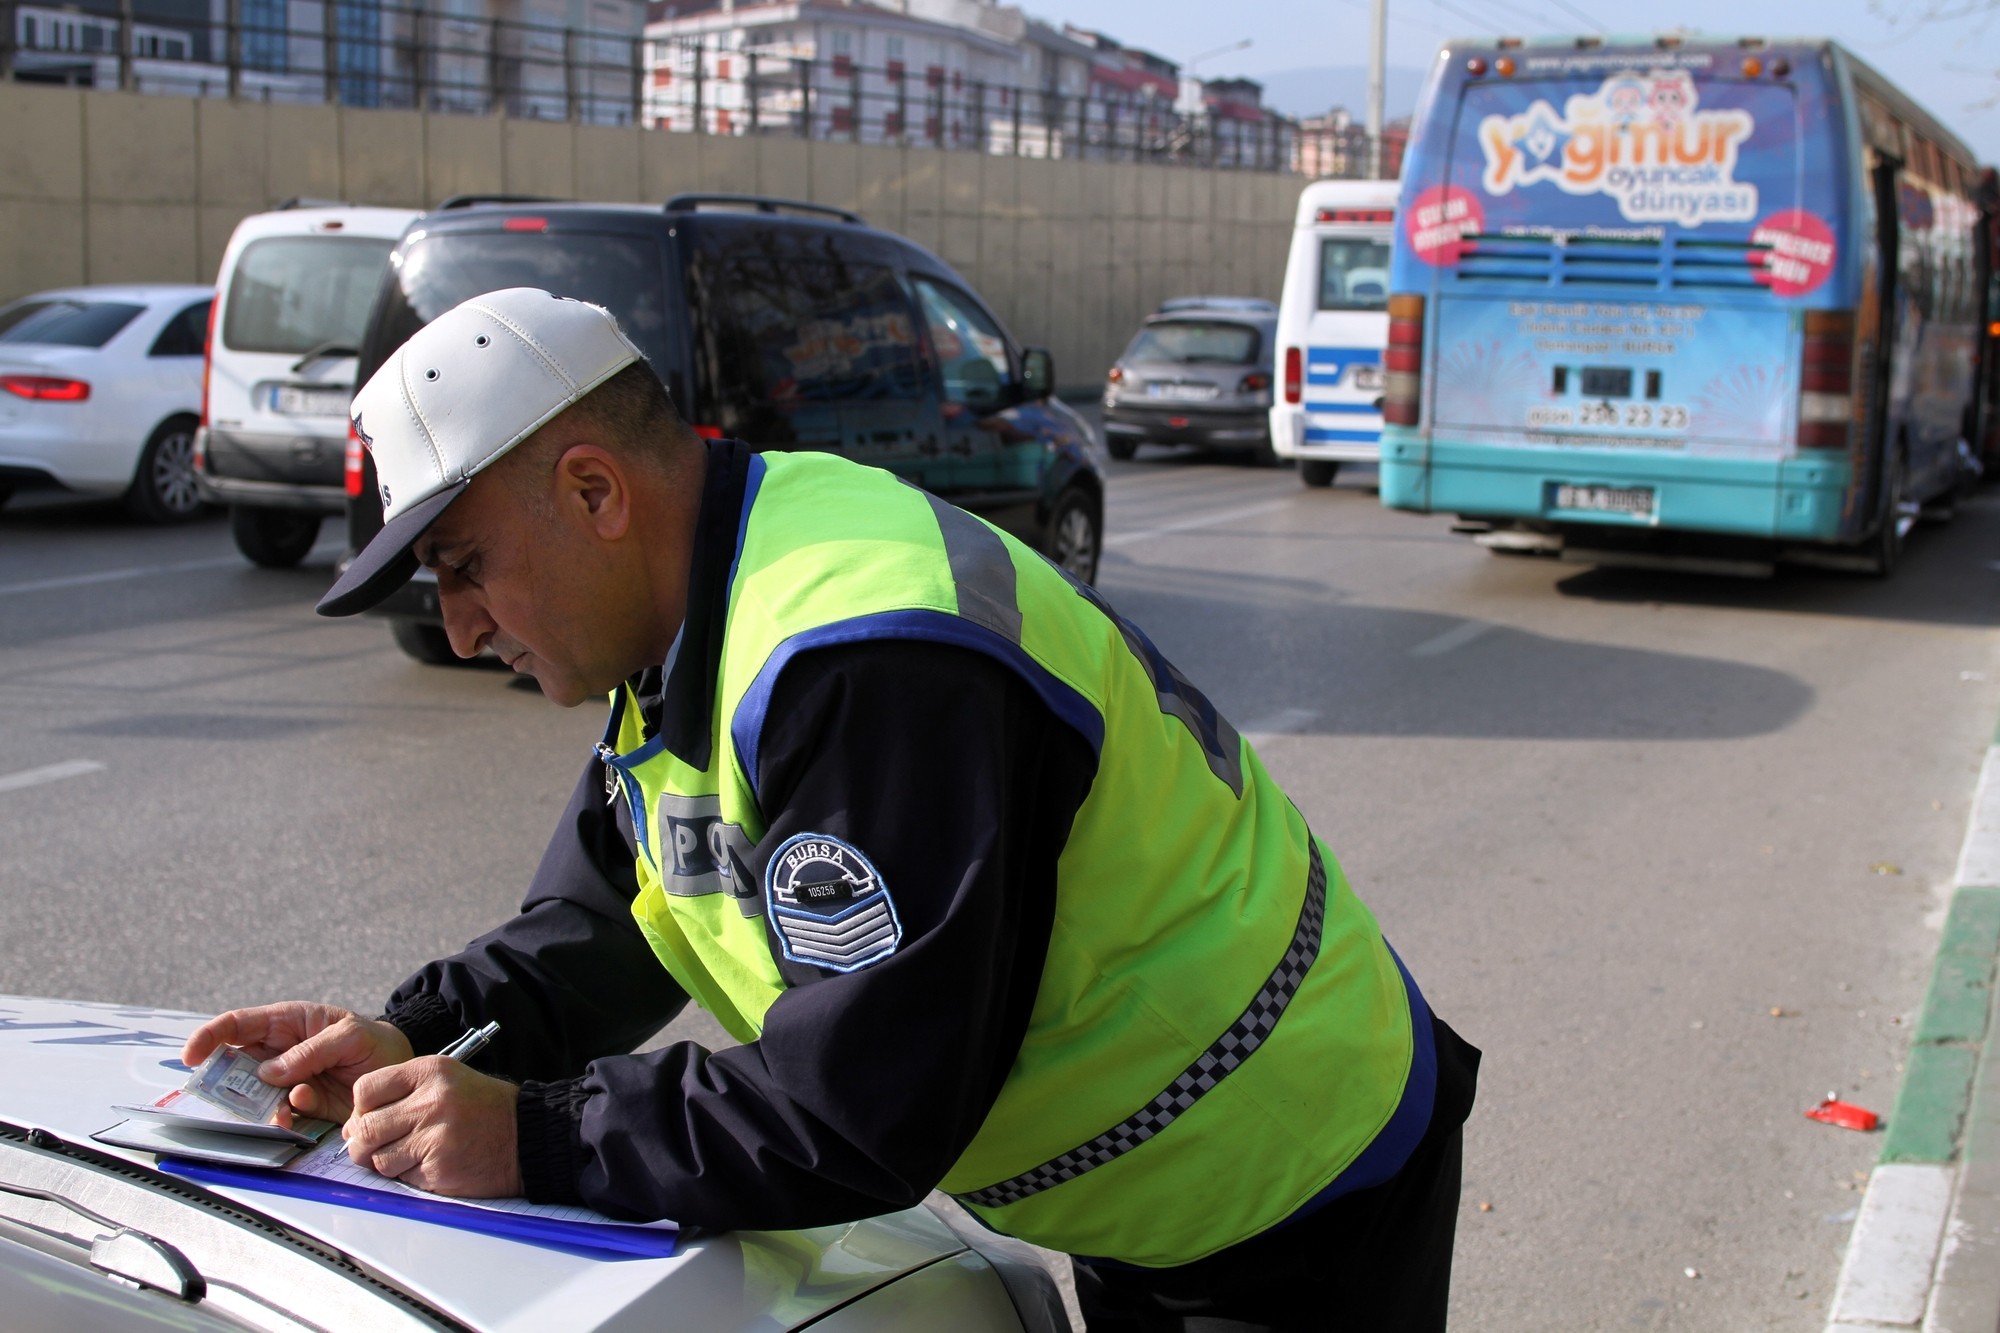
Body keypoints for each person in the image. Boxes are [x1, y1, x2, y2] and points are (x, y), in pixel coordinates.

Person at [186, 287, 1479, 1331]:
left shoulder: (861, 654)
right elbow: (596, 936)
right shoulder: (689, 627)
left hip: (1292, 1175)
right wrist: (411, 1037)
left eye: (465, 567)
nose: (457, 625)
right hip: (1143, 1182)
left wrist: (530, 1135)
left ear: (594, 493)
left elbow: (856, 1111)